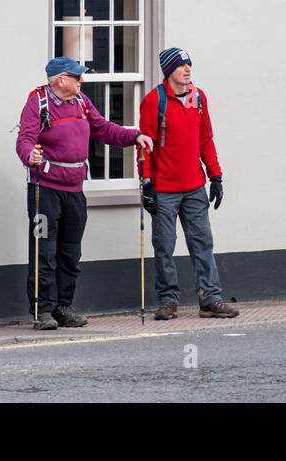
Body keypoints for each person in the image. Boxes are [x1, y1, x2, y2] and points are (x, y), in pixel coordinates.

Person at [15, 56, 153, 330]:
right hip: (46, 189)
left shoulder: (81, 103)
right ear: (61, 80)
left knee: (70, 252)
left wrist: (134, 136)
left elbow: (102, 129)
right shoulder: (37, 103)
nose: (82, 80)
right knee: (44, 251)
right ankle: (42, 311)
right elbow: (25, 139)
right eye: (77, 76)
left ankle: (63, 307)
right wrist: (28, 155)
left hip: (75, 191)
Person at [138, 47, 239, 320]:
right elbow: (144, 146)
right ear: (169, 71)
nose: (187, 70)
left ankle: (210, 298)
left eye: (189, 65)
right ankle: (168, 300)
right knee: (164, 245)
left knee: (202, 243)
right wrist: (146, 183)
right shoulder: (153, 101)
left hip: (194, 186)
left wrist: (216, 176)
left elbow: (205, 139)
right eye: (182, 66)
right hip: (164, 189)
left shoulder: (200, 99)